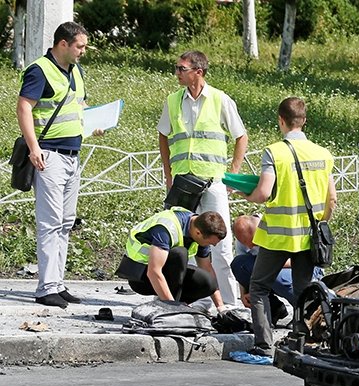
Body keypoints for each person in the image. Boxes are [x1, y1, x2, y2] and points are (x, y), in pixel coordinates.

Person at [242, 97, 336, 356]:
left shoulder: (274, 152)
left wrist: (243, 194)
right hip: (309, 237)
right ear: (304, 121)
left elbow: (262, 193)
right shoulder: (323, 154)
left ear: (280, 120)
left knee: (259, 287)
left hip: (277, 237)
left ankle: (263, 345)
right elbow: (333, 199)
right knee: (303, 290)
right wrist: (321, 222)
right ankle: (302, 339)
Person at [16, 22, 101, 309]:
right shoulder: (40, 70)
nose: (83, 52)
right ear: (62, 44)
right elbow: (24, 106)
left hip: (72, 156)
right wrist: (34, 148)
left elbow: (79, 106)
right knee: (50, 223)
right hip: (49, 156)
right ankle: (46, 288)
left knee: (65, 222)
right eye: (80, 46)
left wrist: (94, 122)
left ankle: (57, 283)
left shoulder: (76, 71)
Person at [157, 50, 247, 307]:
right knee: (182, 241)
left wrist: (234, 173)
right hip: (183, 183)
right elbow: (164, 136)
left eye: (181, 68)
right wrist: (168, 175)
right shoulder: (173, 100)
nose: (177, 73)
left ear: (199, 72)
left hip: (212, 183)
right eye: (177, 68)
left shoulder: (220, 99)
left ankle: (228, 304)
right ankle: (190, 299)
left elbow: (241, 136)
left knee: (221, 243)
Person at [115, 208, 227, 309]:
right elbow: (153, 271)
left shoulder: (200, 227)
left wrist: (221, 307)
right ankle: (170, 307)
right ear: (198, 233)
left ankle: (171, 304)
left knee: (208, 283)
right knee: (180, 254)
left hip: (166, 272)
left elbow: (206, 267)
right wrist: (173, 310)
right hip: (141, 277)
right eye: (209, 243)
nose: (212, 246)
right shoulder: (166, 228)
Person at [230, 213, 323, 325]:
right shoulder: (242, 238)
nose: (251, 247)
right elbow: (244, 266)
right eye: (247, 244)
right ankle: (274, 308)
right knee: (239, 264)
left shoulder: (277, 228)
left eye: (254, 243)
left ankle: (306, 311)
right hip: (271, 267)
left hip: (302, 267)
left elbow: (299, 261)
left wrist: (268, 267)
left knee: (275, 276)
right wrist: (244, 292)